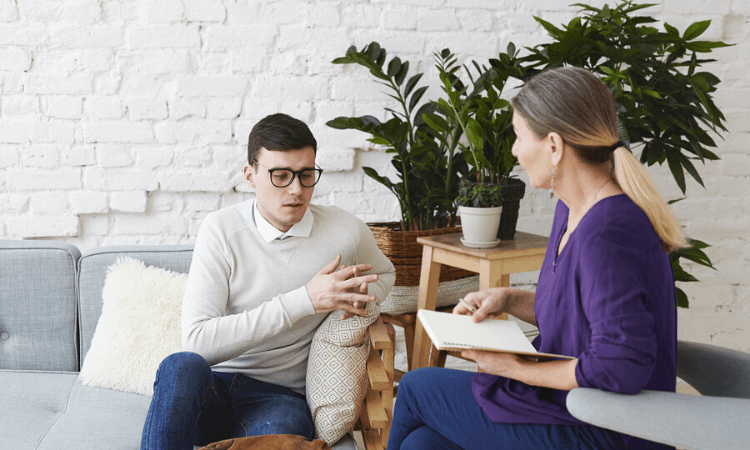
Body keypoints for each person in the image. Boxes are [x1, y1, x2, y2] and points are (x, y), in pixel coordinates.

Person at [388, 66, 685, 450]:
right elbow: (584, 315)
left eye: (518, 136)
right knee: (423, 445)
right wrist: (510, 300)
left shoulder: (608, 231)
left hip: (607, 429)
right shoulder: (571, 211)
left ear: (555, 146)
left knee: (415, 387)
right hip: (572, 408)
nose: (514, 150)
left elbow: (620, 366)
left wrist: (515, 370)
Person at [141, 113, 396, 450]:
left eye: (307, 175)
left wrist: (358, 296)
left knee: (286, 432)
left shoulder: (344, 231)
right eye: (281, 176)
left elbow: (387, 273)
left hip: (279, 396)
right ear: (251, 175)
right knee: (180, 365)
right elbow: (197, 342)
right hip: (212, 385)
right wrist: (305, 300)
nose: (296, 190)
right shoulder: (221, 230)